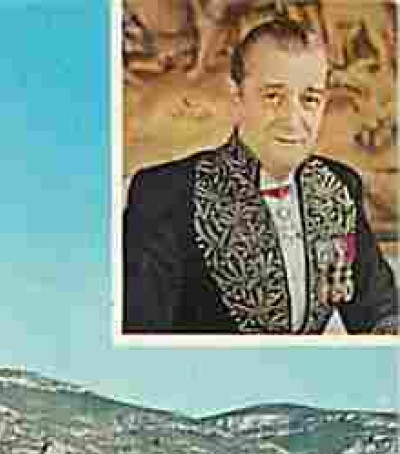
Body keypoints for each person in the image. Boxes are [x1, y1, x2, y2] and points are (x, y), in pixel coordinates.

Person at [123, 17, 397, 334]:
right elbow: (143, 338)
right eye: (272, 96)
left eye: (310, 99)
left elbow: (379, 308)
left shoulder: (340, 185)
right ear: (235, 96)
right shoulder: (164, 193)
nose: (293, 120)